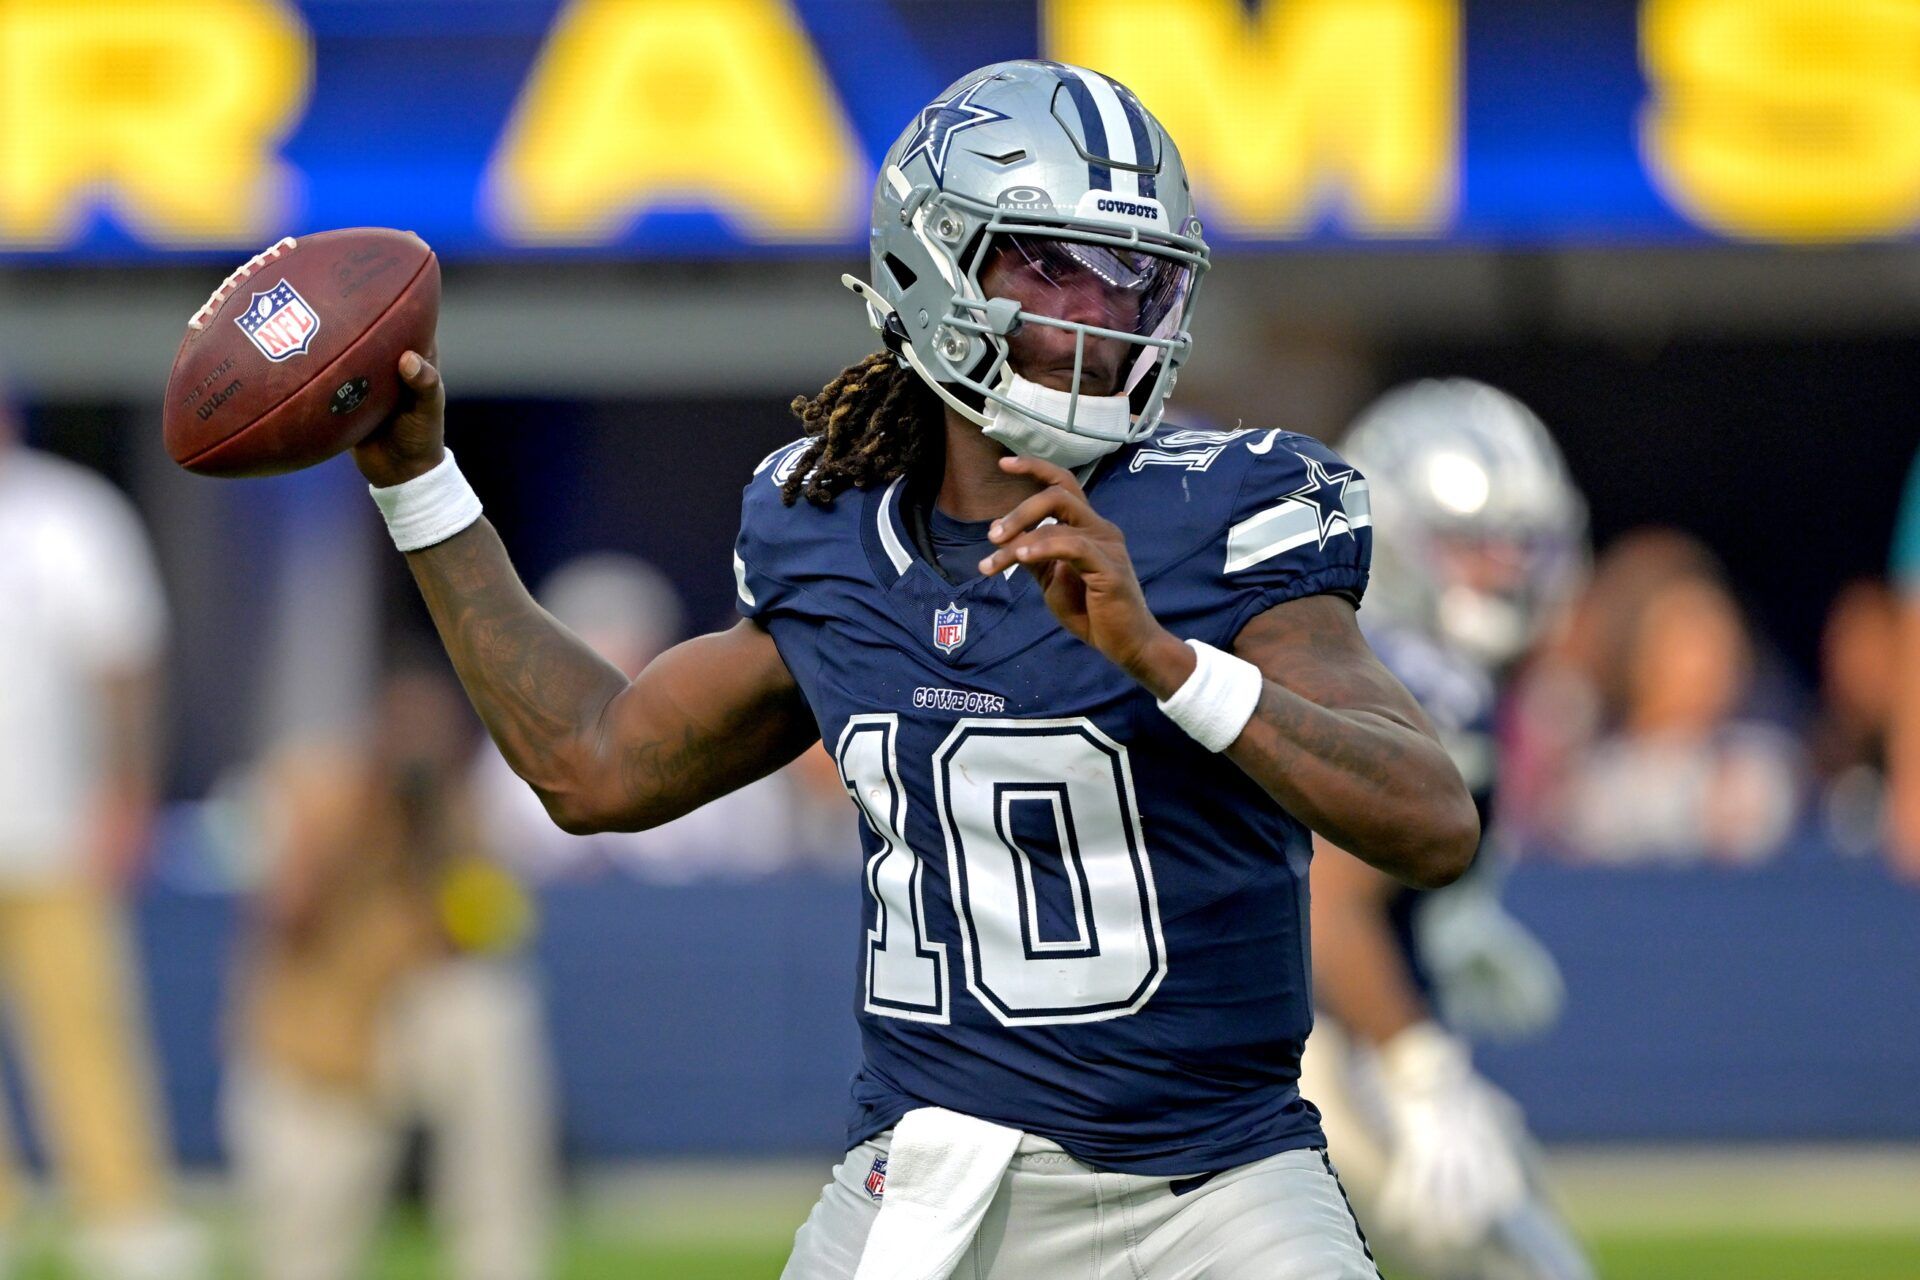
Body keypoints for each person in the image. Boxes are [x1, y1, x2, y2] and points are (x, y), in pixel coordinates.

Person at [346, 62, 1477, 1277]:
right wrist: (418, 481)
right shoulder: (831, 531)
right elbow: (594, 764)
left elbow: (1430, 817)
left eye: (1137, 276)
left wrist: (1166, 660)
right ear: (931, 270)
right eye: (1054, 265)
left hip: (1222, 1188)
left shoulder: (1230, 512)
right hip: (937, 1177)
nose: (1108, 309)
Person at [1301, 380, 1595, 1280]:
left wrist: (1449, 917)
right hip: (1311, 1043)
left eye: (1521, 544)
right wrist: (1421, 1071)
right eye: (1472, 543)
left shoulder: (1354, 646)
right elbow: (1325, 902)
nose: (1504, 568)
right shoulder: (1424, 679)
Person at [225, 664, 555, 1280]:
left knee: (492, 1014)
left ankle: (500, 1265)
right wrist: (351, 823)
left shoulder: (456, 813)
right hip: (314, 1053)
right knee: (301, 1256)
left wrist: (435, 843)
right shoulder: (318, 789)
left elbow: (494, 934)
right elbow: (285, 918)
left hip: (406, 1034)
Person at [0, 389, 208, 1279]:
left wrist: (128, 794)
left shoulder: (66, 515)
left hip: (54, 828)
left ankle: (123, 1212)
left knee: (85, 1027)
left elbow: (123, 664)